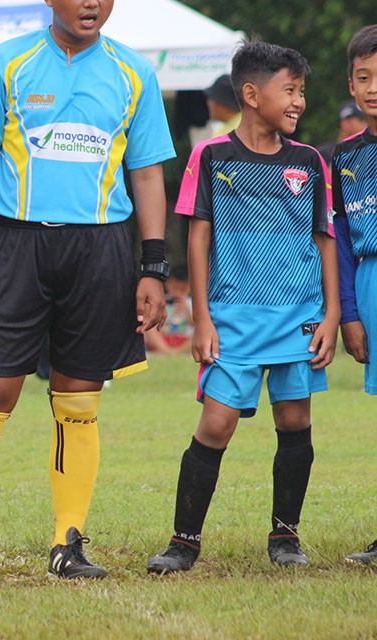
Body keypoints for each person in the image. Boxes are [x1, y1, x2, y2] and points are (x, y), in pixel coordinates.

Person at [0, 0, 174, 582]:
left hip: (101, 251)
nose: (92, 1)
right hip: (14, 247)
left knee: (78, 395)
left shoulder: (134, 71)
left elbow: (147, 174)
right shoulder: (7, 62)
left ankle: (68, 544)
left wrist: (153, 267)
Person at [147, 41, 338, 574]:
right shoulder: (211, 157)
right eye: (290, 90)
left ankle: (286, 536)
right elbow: (197, 239)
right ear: (252, 95)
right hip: (231, 319)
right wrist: (202, 319)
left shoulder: (310, 162)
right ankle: (183, 543)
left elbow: (325, 240)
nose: (299, 101)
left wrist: (328, 315)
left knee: (295, 418)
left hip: (297, 316)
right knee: (216, 424)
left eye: (302, 91)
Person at [330, 25, 377, 566]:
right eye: (362, 77)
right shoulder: (345, 157)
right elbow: (341, 240)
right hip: (369, 282)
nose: (372, 87)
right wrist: (349, 312)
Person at [143, 270, 193, 355]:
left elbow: (195, 324)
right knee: (147, 327)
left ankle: (176, 352)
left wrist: (186, 310)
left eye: (183, 290)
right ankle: (166, 350)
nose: (178, 293)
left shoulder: (191, 303)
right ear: (167, 285)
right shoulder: (161, 301)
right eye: (175, 288)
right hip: (164, 338)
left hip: (184, 339)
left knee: (200, 332)